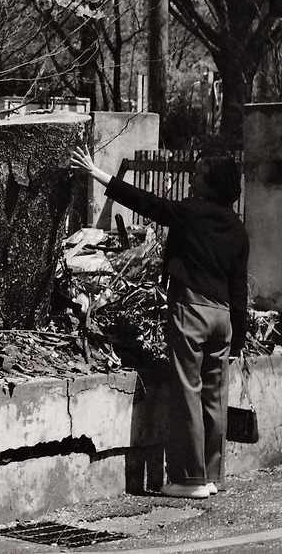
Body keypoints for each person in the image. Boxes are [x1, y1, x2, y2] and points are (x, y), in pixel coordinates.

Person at [70, 146, 248, 500]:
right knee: (215, 396)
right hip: (223, 317)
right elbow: (239, 287)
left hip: (192, 310)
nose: (192, 181)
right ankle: (212, 475)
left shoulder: (190, 212)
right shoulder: (238, 228)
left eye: (197, 175)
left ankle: (190, 480)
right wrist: (238, 339)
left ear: (212, 183)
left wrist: (98, 174)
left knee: (187, 392)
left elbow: (146, 203)